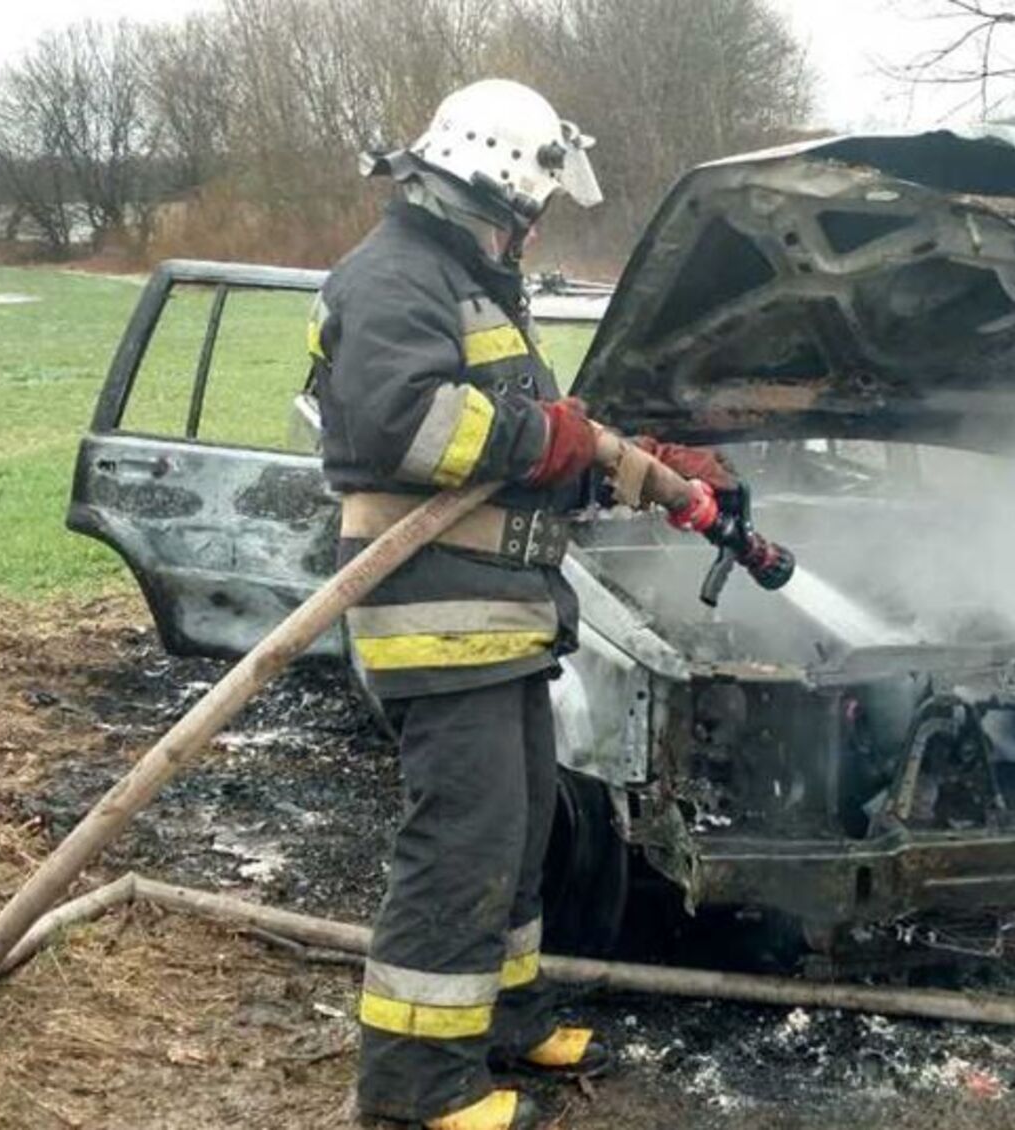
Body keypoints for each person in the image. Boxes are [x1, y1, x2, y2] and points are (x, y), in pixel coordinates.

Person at [304, 79, 726, 1130]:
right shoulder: (395, 277)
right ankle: (415, 1080)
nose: (534, 228)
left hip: (503, 616)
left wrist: (638, 466)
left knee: (522, 823)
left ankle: (506, 1016)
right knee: (463, 839)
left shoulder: (470, 280)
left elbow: (528, 448)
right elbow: (405, 426)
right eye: (533, 206)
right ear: (497, 181)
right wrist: (557, 439)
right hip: (437, 616)